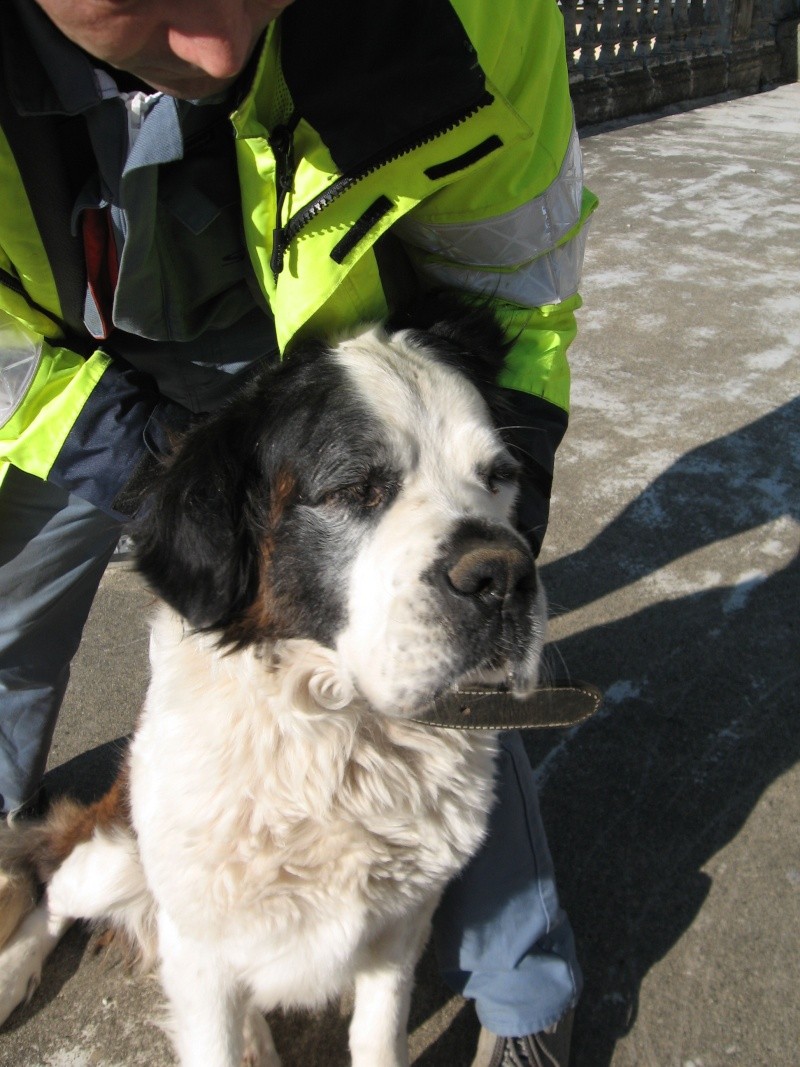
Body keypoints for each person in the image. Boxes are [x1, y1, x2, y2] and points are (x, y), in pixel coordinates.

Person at [0, 1, 597, 1063]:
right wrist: (190, 493)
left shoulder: (482, 11)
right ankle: (27, 878)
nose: (221, 48)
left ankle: (522, 985)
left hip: (342, 350)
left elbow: (519, 282)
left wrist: (484, 513)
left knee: (443, 734)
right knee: (9, 603)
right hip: (53, 355)